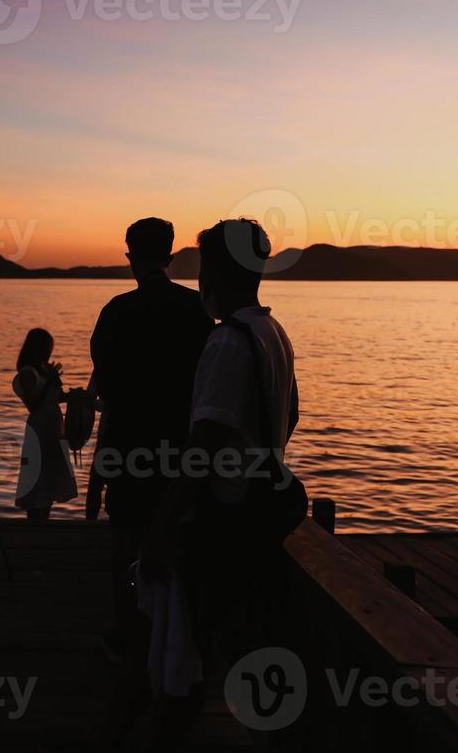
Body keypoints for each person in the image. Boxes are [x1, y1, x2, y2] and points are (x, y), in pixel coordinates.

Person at [138, 218, 300, 750]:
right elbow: (291, 416)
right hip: (259, 514)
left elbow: (203, 444)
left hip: (227, 521)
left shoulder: (228, 342)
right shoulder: (272, 333)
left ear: (223, 272)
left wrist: (161, 530)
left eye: (205, 267)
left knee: (191, 655)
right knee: (245, 644)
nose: (201, 279)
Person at [87, 218, 213, 665]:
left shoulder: (116, 312)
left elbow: (106, 384)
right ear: (172, 256)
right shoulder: (199, 309)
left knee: (126, 542)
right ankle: (175, 638)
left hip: (127, 447)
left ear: (129, 257)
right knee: (177, 541)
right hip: (181, 450)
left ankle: (130, 636)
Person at [11, 328, 78, 520]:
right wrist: (50, 381)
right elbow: (33, 404)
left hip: (54, 427)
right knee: (37, 477)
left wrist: (72, 395)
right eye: (46, 348)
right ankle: (34, 522)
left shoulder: (44, 370)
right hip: (39, 428)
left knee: (50, 475)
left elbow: (54, 398)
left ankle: (44, 520)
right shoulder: (27, 372)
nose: (49, 352)